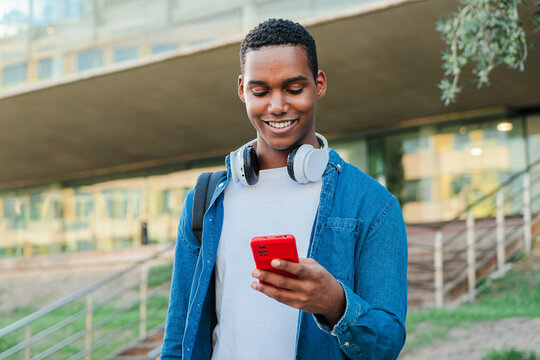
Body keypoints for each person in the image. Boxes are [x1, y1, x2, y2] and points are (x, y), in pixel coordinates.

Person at [161, 18, 407, 360]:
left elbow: (387, 343)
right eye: (260, 91)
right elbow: (178, 339)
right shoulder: (205, 202)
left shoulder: (372, 205)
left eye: (294, 89)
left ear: (318, 84)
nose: (276, 106)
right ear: (242, 90)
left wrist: (334, 303)